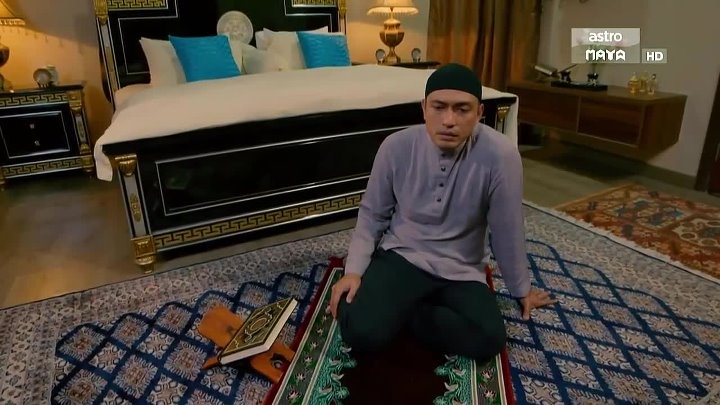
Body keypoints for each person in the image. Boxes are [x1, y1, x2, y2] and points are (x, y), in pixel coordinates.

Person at [325, 63, 557, 361]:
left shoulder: (501, 155)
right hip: (403, 255)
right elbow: (372, 215)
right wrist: (354, 271)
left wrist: (521, 289)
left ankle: (405, 314)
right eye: (439, 107)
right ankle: (397, 311)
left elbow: (507, 229)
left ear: (479, 113)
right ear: (424, 108)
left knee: (489, 339)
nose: (449, 120)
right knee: (359, 332)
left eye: (462, 109)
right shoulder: (396, 146)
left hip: (461, 267)